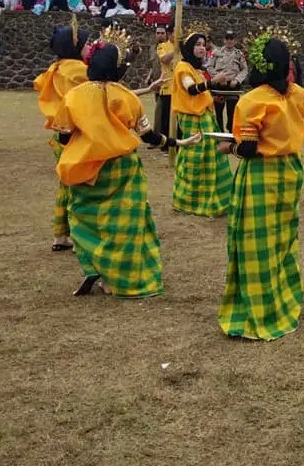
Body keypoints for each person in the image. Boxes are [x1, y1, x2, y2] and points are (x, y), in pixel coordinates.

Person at [54, 33, 198, 297]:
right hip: (122, 169)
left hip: (86, 169)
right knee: (124, 225)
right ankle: (120, 278)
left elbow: (63, 136)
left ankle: (98, 266)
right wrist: (180, 142)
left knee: (85, 220)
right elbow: (149, 136)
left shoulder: (73, 97)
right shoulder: (126, 98)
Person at [216, 33, 304, 339]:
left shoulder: (252, 101)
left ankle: (260, 309)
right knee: (283, 238)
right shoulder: (298, 94)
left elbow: (247, 149)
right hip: (290, 172)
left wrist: (228, 147)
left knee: (255, 243)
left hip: (261, 175)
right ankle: (284, 295)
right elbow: (303, 114)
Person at [34, 18, 91, 250]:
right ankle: (79, 235)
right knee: (80, 184)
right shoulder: (78, 71)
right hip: (75, 132)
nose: (90, 48)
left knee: (66, 183)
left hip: (60, 133)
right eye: (87, 44)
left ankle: (60, 234)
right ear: (75, 46)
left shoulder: (57, 68)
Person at [171, 28, 233, 217]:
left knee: (211, 158)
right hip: (192, 120)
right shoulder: (183, 68)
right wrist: (213, 82)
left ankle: (215, 199)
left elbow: (200, 92)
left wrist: (213, 94)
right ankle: (189, 201)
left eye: (203, 45)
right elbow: (191, 90)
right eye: (197, 45)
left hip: (205, 117)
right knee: (194, 159)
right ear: (189, 48)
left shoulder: (197, 69)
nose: (201, 48)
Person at [206, 30, 249, 131]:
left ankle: (231, 133)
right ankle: (219, 133)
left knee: (232, 113)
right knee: (218, 113)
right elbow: (209, 67)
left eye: (231, 39)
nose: (229, 41)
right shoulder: (216, 53)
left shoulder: (239, 54)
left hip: (232, 87)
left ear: (235, 41)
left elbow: (244, 69)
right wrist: (218, 77)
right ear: (224, 40)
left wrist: (237, 80)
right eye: (227, 39)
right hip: (219, 86)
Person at [152, 25, 177, 138]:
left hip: (180, 87)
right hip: (167, 86)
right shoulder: (162, 46)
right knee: (165, 116)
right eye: (176, 32)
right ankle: (164, 142)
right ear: (170, 34)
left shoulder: (183, 46)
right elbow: (164, 60)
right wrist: (176, 51)